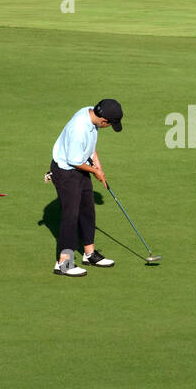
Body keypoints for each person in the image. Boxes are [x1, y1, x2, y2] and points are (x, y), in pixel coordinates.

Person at [48, 99, 123, 277]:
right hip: (66, 172)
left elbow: (91, 146)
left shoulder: (90, 114)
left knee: (87, 210)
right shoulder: (79, 129)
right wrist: (95, 172)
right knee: (70, 216)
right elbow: (74, 160)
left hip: (80, 169)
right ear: (103, 120)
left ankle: (89, 254)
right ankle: (64, 263)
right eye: (109, 124)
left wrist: (99, 167)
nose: (107, 127)